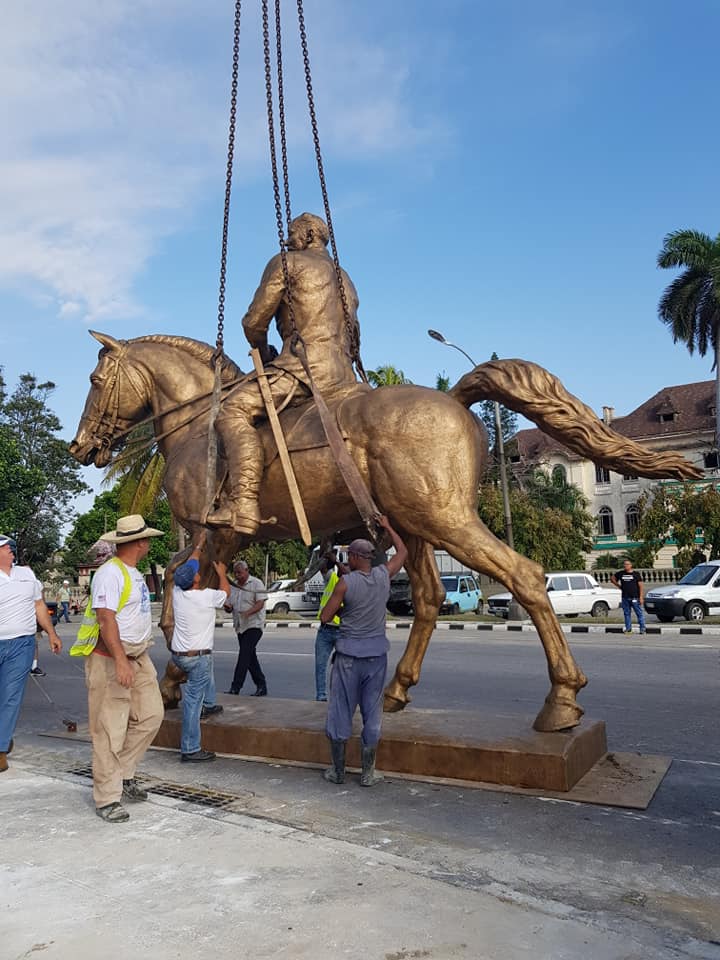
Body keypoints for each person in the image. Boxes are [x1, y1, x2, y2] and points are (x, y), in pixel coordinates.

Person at [208, 212, 362, 536]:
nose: (287, 240)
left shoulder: (287, 262)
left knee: (231, 411)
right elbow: (355, 335)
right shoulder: (345, 277)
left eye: (292, 234)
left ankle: (245, 503)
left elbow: (254, 321)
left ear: (307, 235)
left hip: (303, 371)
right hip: (344, 376)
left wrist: (262, 352)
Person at [87, 515, 165, 823]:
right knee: (109, 729)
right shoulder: (110, 573)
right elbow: (106, 620)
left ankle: (124, 775)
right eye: (147, 539)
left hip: (138, 656)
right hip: (111, 658)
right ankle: (107, 797)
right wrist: (120, 660)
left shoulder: (133, 572)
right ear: (141, 542)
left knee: (151, 716)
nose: (149, 543)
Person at [320, 516, 407, 787]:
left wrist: (345, 609)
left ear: (357, 557)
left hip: (348, 659)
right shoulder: (383, 576)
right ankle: (368, 773)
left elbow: (325, 617)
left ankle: (338, 771)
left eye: (349, 556)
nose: (348, 559)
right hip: (376, 658)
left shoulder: (345, 585)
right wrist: (389, 527)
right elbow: (402, 552)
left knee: (341, 712)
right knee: (372, 712)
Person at [0, 535, 62, 772]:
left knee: (10, 697)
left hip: (22, 644)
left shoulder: (27, 574)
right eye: (5, 548)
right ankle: (3, 736)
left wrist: (52, 634)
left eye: (10, 547)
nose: (10, 550)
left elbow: (38, 606)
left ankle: (1, 749)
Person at [170, 533, 230, 763]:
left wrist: (198, 546)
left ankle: (210, 703)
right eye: (195, 573)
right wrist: (221, 573)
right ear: (195, 581)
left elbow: (191, 564)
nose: (197, 571)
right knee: (192, 703)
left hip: (181, 656)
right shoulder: (205, 597)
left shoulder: (177, 592)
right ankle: (190, 748)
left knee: (207, 664)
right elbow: (226, 594)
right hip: (197, 658)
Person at [225, 561, 268, 696]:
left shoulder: (256, 583)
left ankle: (236, 687)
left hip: (253, 625)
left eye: (240, 572)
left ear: (247, 570)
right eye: (235, 573)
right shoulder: (234, 587)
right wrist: (228, 608)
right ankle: (261, 685)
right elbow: (230, 604)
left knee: (244, 655)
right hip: (240, 626)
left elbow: (260, 603)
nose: (237, 576)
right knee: (250, 657)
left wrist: (247, 613)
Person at [314, 557, 341, 701]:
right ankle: (321, 696)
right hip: (326, 629)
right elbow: (323, 568)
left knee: (341, 667)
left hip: (342, 630)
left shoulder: (353, 583)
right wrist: (327, 556)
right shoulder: (333, 578)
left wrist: (336, 560)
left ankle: (338, 697)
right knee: (321, 665)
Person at [611, 558, 646, 635]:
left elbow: (640, 586)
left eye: (627, 564)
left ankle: (642, 629)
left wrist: (641, 597)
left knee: (639, 613)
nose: (625, 566)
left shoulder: (636, 574)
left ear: (631, 565)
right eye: (624, 564)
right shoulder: (621, 573)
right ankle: (628, 629)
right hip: (625, 598)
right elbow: (612, 578)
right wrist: (618, 585)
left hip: (635, 597)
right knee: (627, 614)